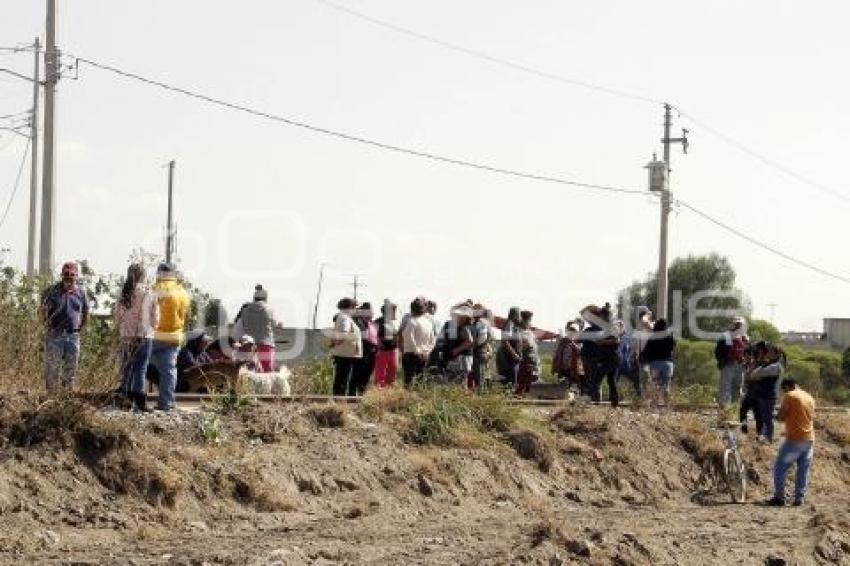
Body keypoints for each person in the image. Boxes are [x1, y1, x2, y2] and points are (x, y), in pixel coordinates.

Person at [113, 263, 157, 411]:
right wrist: (152, 327)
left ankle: (124, 398)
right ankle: (140, 401)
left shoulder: (122, 292)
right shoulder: (148, 292)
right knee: (141, 368)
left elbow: (117, 315)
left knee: (126, 367)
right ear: (143, 275)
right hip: (144, 335)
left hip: (126, 335)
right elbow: (155, 317)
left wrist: (123, 329)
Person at [40, 261, 90, 391]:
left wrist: (81, 328)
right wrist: (47, 326)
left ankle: (67, 396)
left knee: (71, 368)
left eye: (72, 274)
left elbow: (86, 312)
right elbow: (42, 310)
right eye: (66, 274)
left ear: (76, 275)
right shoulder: (51, 291)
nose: (69, 277)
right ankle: (51, 397)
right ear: (62, 274)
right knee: (52, 369)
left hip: (73, 335)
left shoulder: (81, 293)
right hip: (55, 334)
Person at [149, 263, 191, 411]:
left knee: (138, 366)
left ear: (159, 274)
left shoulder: (154, 290)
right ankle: (166, 403)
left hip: (153, 336)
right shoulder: (183, 293)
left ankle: (135, 399)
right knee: (169, 370)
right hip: (174, 337)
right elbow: (186, 316)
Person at [767, 379, 815, 507]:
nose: (784, 393)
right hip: (809, 440)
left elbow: (781, 416)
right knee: (803, 470)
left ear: (787, 387)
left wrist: (772, 416)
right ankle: (799, 498)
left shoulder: (790, 395)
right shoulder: (809, 397)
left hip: (795, 440)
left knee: (780, 468)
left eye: (784, 390)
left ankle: (779, 498)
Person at [581, 304, 621, 407]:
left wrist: (602, 342)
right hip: (607, 358)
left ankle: (596, 403)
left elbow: (616, 340)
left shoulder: (611, 327)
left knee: (596, 381)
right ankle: (612, 404)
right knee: (609, 381)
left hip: (610, 358)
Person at [233, 284, 278, 373]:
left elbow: (241, 326)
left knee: (247, 374)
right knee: (267, 375)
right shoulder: (270, 309)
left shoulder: (245, 310)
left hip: (248, 345)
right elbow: (274, 325)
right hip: (266, 344)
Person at [744, 343, 785, 442]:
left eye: (770, 352)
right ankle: (764, 436)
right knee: (763, 416)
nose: (768, 354)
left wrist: (758, 369)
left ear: (776, 354)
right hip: (764, 394)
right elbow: (752, 375)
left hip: (768, 395)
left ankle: (768, 438)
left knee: (767, 417)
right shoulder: (770, 364)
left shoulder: (775, 366)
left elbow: (755, 374)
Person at [639, 319, 677, 405]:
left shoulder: (652, 337)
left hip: (655, 363)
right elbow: (674, 349)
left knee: (655, 385)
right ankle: (667, 404)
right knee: (666, 385)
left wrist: (643, 359)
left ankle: (655, 404)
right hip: (668, 363)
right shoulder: (670, 338)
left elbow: (647, 351)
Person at [329, 298, 362, 396]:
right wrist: (337, 342)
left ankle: (339, 399)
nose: (356, 310)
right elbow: (344, 333)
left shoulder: (344, 317)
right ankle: (339, 400)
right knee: (342, 379)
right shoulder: (345, 317)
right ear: (350, 307)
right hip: (345, 354)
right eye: (355, 307)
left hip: (345, 353)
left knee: (342, 378)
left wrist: (335, 343)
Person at [401, 297, 436, 386]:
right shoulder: (429, 322)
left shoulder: (412, 321)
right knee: (420, 380)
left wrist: (417, 351)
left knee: (409, 381)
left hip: (411, 354)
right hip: (424, 355)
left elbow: (408, 337)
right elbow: (433, 339)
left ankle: (409, 398)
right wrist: (427, 351)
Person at [715, 317, 749, 408]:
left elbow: (747, 351)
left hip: (740, 365)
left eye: (740, 324)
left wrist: (746, 361)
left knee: (737, 387)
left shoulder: (744, 337)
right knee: (725, 387)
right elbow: (718, 350)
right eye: (736, 323)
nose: (738, 325)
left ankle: (734, 407)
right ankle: (723, 408)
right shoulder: (726, 335)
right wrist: (722, 361)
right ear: (733, 324)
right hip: (728, 364)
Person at [440, 304, 474, 382]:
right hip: (458, 357)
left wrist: (456, 350)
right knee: (455, 381)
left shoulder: (465, 326)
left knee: (460, 381)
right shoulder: (459, 325)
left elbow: (470, 341)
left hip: (462, 358)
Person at [351, 302, 378, 396]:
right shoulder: (357, 321)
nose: (371, 313)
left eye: (371, 311)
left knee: (367, 374)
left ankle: (361, 394)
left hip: (372, 351)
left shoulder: (372, 323)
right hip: (362, 349)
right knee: (357, 373)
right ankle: (352, 395)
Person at [374, 300, 400, 388]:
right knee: (380, 371)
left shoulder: (396, 322)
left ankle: (389, 389)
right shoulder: (378, 322)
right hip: (382, 350)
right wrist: (378, 342)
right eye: (393, 310)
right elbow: (373, 334)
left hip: (394, 350)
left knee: (393, 370)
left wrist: (397, 338)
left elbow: (400, 333)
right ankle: (379, 389)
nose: (395, 312)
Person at [515, 310, 540, 396]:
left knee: (530, 384)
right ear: (524, 321)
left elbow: (535, 348)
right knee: (522, 384)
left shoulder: (531, 333)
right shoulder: (519, 332)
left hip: (533, 362)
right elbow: (520, 348)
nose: (530, 322)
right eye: (529, 320)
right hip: (524, 362)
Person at [496, 307, 523, 386]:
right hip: (509, 358)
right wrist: (514, 354)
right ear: (515, 315)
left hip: (511, 357)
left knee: (511, 380)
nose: (520, 318)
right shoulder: (509, 324)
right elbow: (505, 341)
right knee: (510, 381)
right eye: (519, 315)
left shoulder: (513, 325)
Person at [471, 305, 494, 391]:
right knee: (482, 375)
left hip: (479, 352)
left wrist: (472, 346)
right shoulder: (482, 322)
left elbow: (482, 339)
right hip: (482, 351)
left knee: (479, 376)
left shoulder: (481, 323)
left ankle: (481, 396)